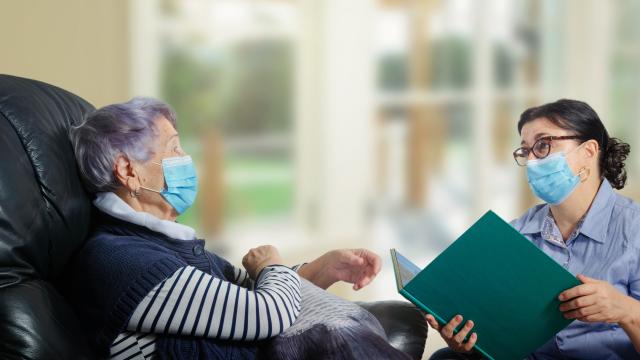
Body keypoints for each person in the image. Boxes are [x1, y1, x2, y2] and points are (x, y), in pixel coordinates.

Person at [66, 97, 382, 359]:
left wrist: (324, 268)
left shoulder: (164, 245)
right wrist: (271, 264)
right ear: (127, 170)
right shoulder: (123, 261)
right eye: (174, 149)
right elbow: (267, 314)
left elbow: (244, 297)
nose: (186, 158)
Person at [428, 99, 640, 359]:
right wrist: (468, 342)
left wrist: (627, 311)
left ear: (588, 151)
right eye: (524, 151)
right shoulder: (514, 235)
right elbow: (497, 329)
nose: (531, 160)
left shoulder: (634, 229)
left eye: (543, 145)